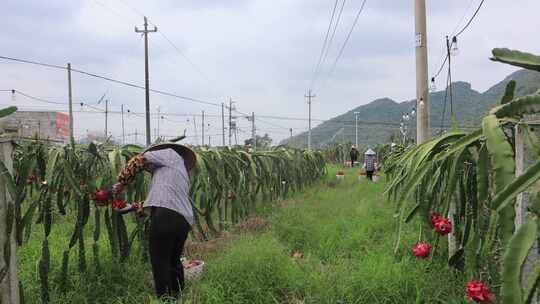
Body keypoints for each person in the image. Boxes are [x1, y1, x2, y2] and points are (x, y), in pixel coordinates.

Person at [112, 143, 197, 300]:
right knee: (173, 261)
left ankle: (164, 300)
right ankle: (178, 297)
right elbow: (161, 200)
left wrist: (121, 183)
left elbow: (138, 161)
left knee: (160, 262)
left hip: (167, 216)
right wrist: (132, 207)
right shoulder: (179, 172)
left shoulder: (169, 153)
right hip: (183, 221)